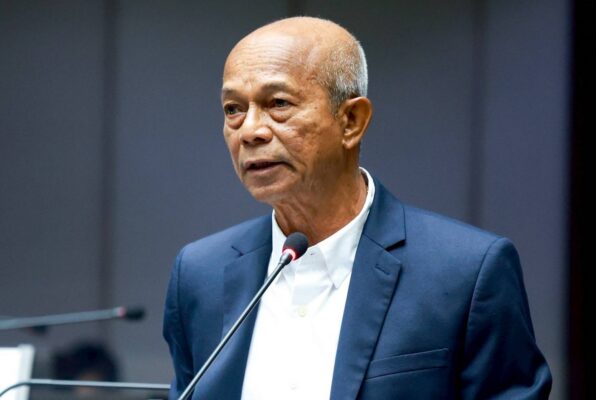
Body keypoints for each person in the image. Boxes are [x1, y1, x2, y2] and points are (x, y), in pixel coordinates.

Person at [163, 16, 552, 399]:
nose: (250, 131)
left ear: (351, 120)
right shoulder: (200, 274)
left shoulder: (467, 271)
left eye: (278, 103)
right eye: (233, 109)